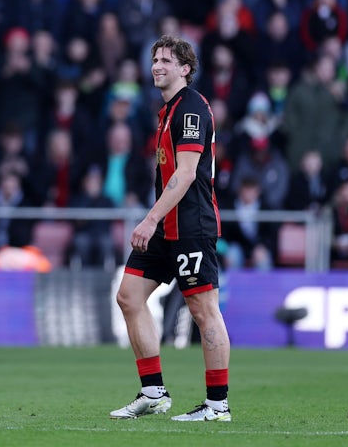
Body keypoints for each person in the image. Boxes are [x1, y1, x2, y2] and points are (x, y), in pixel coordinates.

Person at [109, 35, 231, 422]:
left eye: (167, 60)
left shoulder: (191, 109)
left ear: (186, 69)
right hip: (167, 227)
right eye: (155, 59)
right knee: (129, 296)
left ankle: (217, 405)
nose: (158, 65)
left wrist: (149, 218)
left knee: (203, 310)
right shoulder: (167, 110)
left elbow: (186, 173)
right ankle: (153, 392)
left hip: (190, 225)